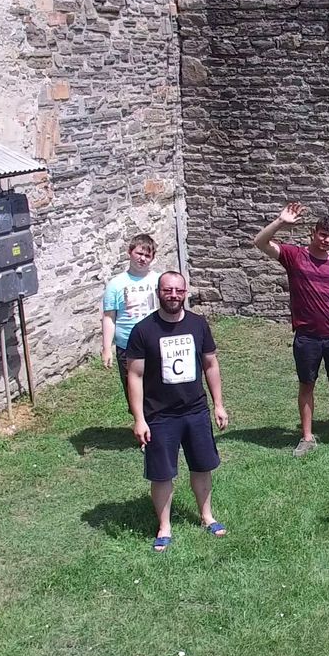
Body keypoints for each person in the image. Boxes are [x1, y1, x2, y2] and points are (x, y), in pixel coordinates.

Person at [125, 271, 229, 551]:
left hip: (195, 410)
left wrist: (218, 404)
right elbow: (134, 375)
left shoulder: (198, 324)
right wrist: (139, 419)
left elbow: (210, 364)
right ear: (158, 293)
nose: (173, 295)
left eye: (179, 291)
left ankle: (207, 516)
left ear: (185, 293)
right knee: (161, 473)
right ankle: (164, 526)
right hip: (160, 415)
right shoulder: (143, 330)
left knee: (202, 466)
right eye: (167, 290)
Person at [253, 203, 329, 456]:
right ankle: (308, 437)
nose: (326, 240)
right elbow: (260, 242)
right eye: (322, 235)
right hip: (307, 336)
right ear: (313, 233)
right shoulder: (295, 256)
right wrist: (280, 222)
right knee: (307, 385)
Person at [100, 233, 160, 414]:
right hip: (127, 346)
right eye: (139, 253)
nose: (142, 259)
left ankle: (159, 424)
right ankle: (141, 423)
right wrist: (106, 348)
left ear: (152, 258)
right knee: (133, 391)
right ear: (129, 252)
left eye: (147, 255)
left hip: (155, 343)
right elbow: (109, 317)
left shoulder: (159, 280)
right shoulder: (116, 284)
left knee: (159, 389)